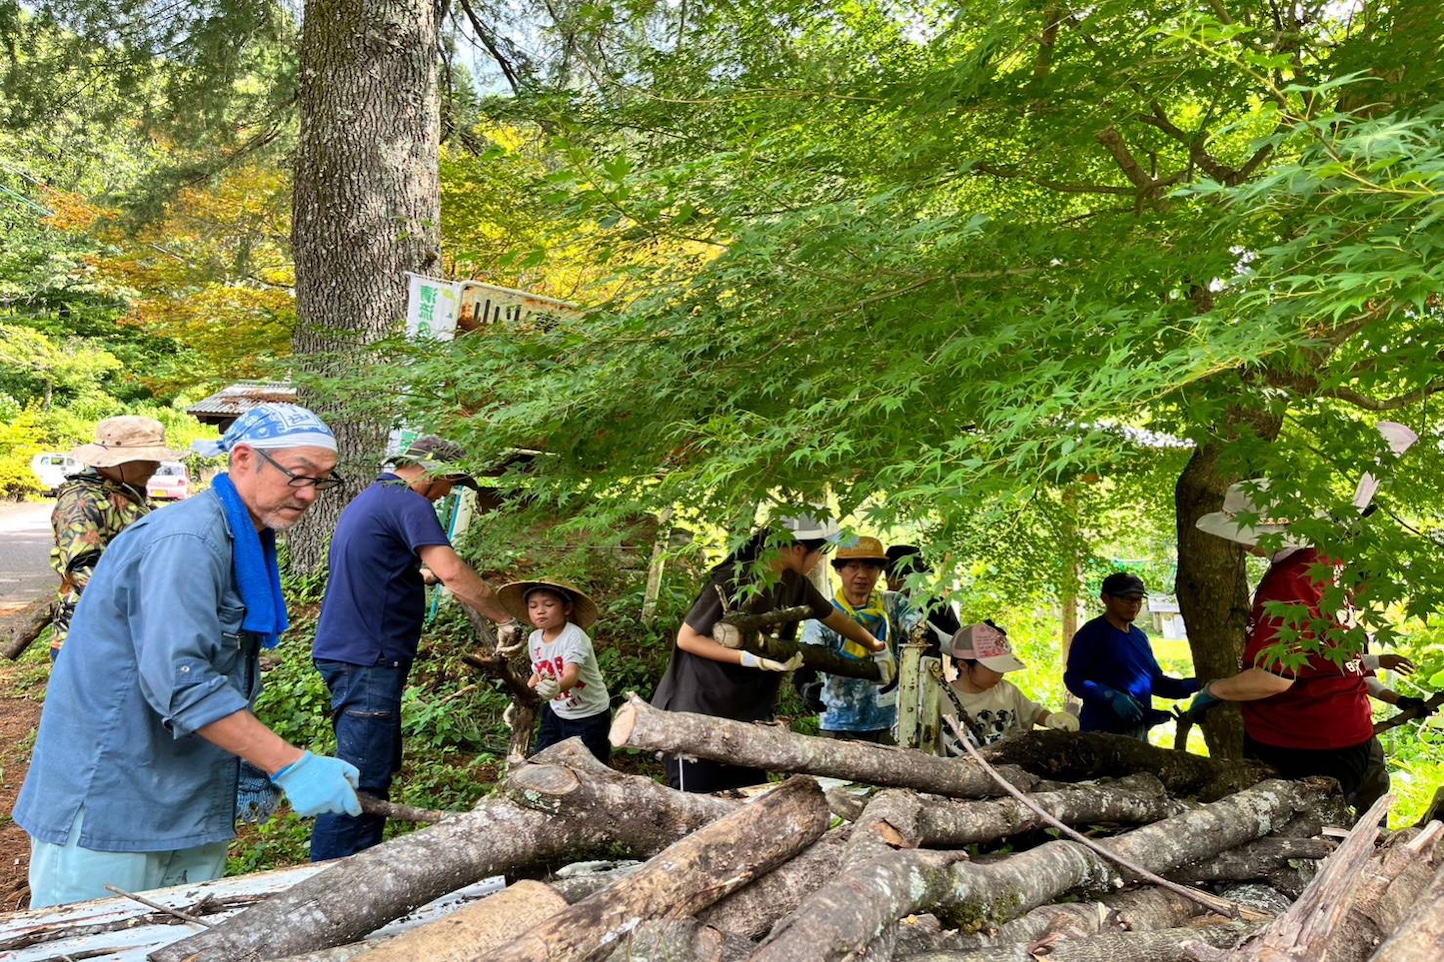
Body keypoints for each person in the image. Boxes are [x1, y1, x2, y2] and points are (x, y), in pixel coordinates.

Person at [13, 403, 362, 908]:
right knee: (90, 944)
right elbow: (182, 682)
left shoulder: (241, 539)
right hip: (114, 797)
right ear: (243, 459)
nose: (308, 494)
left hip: (187, 793)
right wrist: (290, 763)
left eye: (322, 481)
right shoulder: (187, 541)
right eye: (299, 476)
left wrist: (255, 759)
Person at [310, 435, 523, 861]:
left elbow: (378, 567)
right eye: (451, 482)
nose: (450, 492)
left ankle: (353, 871)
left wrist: (414, 576)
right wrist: (505, 618)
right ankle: (331, 880)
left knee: (371, 768)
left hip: (353, 651)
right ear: (430, 472)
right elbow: (454, 572)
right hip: (368, 657)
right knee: (361, 778)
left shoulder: (374, 498)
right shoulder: (410, 502)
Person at [651, 514, 888, 793]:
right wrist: (750, 659)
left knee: (746, 805)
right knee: (696, 805)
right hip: (698, 712)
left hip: (748, 718)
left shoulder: (795, 582)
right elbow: (687, 638)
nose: (821, 560)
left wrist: (877, 647)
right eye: (821, 552)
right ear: (799, 549)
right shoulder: (735, 578)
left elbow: (833, 616)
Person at [1186, 479, 1376, 800]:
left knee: (1301, 839)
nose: (1240, 542)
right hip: (1343, 729)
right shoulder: (1324, 563)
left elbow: (1274, 679)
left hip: (1303, 743)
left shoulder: (1289, 581)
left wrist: (1214, 689)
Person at [48, 415, 181, 659]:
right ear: (118, 460)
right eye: (147, 459)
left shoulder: (128, 494)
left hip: (130, 633)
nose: (156, 465)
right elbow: (84, 573)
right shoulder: (82, 501)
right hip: (90, 639)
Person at [799, 536, 921, 742]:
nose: (861, 575)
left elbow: (920, 632)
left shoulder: (893, 604)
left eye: (870, 568)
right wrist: (806, 687)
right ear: (839, 570)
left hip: (889, 721)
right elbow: (807, 656)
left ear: (880, 571)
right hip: (837, 722)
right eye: (853, 567)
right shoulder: (824, 614)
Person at [1064, 572, 1200, 739]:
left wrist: (1196, 684)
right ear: (1106, 598)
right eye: (1127, 599)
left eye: (1138, 600)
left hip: (1138, 730)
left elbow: (1155, 682)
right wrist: (1110, 696)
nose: (1134, 605)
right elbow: (1074, 679)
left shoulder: (1140, 637)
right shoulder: (1091, 635)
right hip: (1101, 732)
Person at [499, 578, 612, 763]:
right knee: (543, 759)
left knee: (590, 766)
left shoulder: (574, 637)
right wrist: (520, 699)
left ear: (566, 609)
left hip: (589, 715)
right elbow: (538, 672)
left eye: (548, 604)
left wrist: (557, 687)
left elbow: (571, 675)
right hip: (556, 712)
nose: (540, 611)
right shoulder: (535, 638)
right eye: (533, 606)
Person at [943, 622, 1079, 750]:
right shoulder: (941, 697)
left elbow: (1033, 712)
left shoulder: (1006, 690)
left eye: (1002, 668)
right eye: (992, 669)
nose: (999, 675)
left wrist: (1052, 719)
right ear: (963, 665)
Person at [884, 544, 961, 657]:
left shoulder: (937, 605)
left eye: (903, 574)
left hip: (929, 672)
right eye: (890, 573)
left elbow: (958, 647)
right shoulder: (877, 602)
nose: (894, 580)